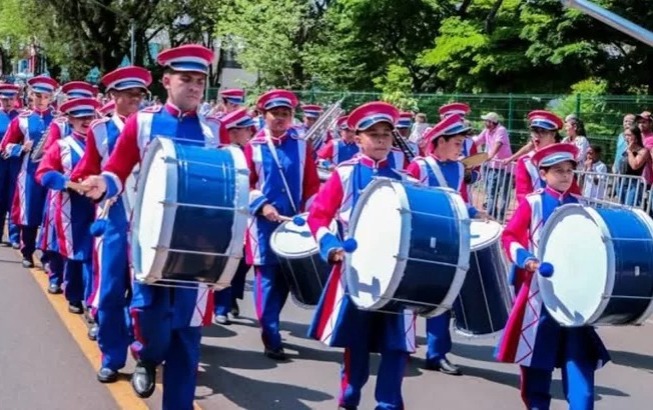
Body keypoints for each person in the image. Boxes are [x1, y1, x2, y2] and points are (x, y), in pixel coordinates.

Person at [79, 44, 218, 409]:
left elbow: (236, 182)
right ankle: (145, 355)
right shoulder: (144, 123)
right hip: (149, 239)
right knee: (151, 319)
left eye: (200, 81)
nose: (194, 87)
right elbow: (118, 169)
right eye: (186, 79)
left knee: (188, 334)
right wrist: (102, 183)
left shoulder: (213, 129)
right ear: (167, 81)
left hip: (197, 247)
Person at [307, 101, 415, 410]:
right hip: (358, 272)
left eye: (386, 134)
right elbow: (318, 217)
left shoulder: (404, 179)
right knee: (357, 342)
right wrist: (331, 247)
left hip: (396, 277)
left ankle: (389, 404)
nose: (381, 140)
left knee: (398, 346)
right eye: (373, 134)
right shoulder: (344, 174)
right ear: (357, 138)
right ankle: (350, 396)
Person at [497, 143, 610, 409]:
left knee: (579, 362)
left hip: (575, 300)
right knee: (537, 364)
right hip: (539, 296)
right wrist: (527, 259)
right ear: (543, 173)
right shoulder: (533, 202)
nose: (565, 175)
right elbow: (510, 236)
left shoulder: (581, 206)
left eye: (569, 170)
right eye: (558, 170)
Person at [71, 65, 152, 383]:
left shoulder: (151, 126)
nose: (135, 99)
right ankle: (111, 356)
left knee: (145, 293)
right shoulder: (100, 130)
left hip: (148, 220)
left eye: (139, 94)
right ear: (113, 96)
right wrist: (87, 186)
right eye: (128, 94)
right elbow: (85, 169)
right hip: (113, 220)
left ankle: (143, 354)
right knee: (109, 292)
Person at [405, 114, 488, 376]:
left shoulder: (457, 169)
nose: (461, 148)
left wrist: (473, 213)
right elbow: (410, 202)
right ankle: (401, 345)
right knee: (408, 297)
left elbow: (460, 201)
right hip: (419, 242)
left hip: (448, 242)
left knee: (443, 298)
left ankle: (437, 353)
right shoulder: (419, 167)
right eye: (457, 142)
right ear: (440, 141)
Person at [244, 89, 320, 360]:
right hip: (262, 225)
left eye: (285, 113)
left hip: (294, 223)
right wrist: (263, 205)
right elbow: (247, 184)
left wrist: (311, 213)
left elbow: (311, 184)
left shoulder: (301, 145)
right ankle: (271, 335)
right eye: (275, 113)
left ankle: (272, 324)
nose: (280, 118)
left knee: (286, 281)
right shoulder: (252, 147)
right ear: (264, 115)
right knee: (266, 278)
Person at [35, 97, 100, 316]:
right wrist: (67, 183)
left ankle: (93, 305)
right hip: (70, 208)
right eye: (80, 117)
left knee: (96, 257)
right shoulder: (61, 146)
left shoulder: (104, 143)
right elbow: (43, 173)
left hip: (100, 208)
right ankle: (74, 295)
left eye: (89, 117)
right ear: (70, 119)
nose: (85, 121)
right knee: (75, 254)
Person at [0, 75, 58, 268]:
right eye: (38, 95)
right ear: (31, 96)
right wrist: (21, 148)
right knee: (29, 214)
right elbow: (5, 146)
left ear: (51, 98)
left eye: (45, 96)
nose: (41, 100)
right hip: (29, 174)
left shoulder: (59, 120)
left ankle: (48, 257)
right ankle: (27, 251)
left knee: (50, 215)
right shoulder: (22, 119)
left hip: (52, 175)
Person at [212, 107, 255, 325]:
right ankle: (221, 305)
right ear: (234, 131)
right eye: (247, 129)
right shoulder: (223, 153)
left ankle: (230, 299)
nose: (251, 133)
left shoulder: (248, 152)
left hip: (246, 215)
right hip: (225, 215)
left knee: (242, 262)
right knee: (225, 261)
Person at [514, 110, 580, 204]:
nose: (537, 135)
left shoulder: (563, 158)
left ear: (553, 134)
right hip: (537, 211)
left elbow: (573, 190)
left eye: (542, 131)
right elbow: (522, 195)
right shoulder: (525, 161)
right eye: (534, 131)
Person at [0, 83, 22, 246]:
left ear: (16, 99)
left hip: (16, 163)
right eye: (4, 99)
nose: (7, 102)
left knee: (14, 199)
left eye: (10, 99)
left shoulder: (21, 118)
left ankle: (15, 237)